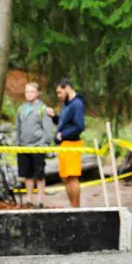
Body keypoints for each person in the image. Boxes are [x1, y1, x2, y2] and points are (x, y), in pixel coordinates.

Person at [46, 78, 85, 208]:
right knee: (65, 178)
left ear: (67, 88)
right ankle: (72, 206)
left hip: (72, 145)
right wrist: (54, 117)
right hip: (63, 146)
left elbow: (79, 126)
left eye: (59, 92)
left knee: (72, 177)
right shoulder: (67, 105)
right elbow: (64, 124)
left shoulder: (77, 104)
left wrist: (63, 135)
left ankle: (76, 207)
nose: (59, 96)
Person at [15, 82, 54, 207]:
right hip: (23, 146)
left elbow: (48, 129)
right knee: (27, 175)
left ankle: (40, 200)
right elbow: (18, 127)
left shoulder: (43, 109)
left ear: (37, 93)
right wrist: (17, 144)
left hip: (38, 146)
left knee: (39, 174)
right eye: (27, 92)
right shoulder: (21, 109)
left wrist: (43, 143)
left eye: (32, 92)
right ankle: (29, 199)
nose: (29, 94)